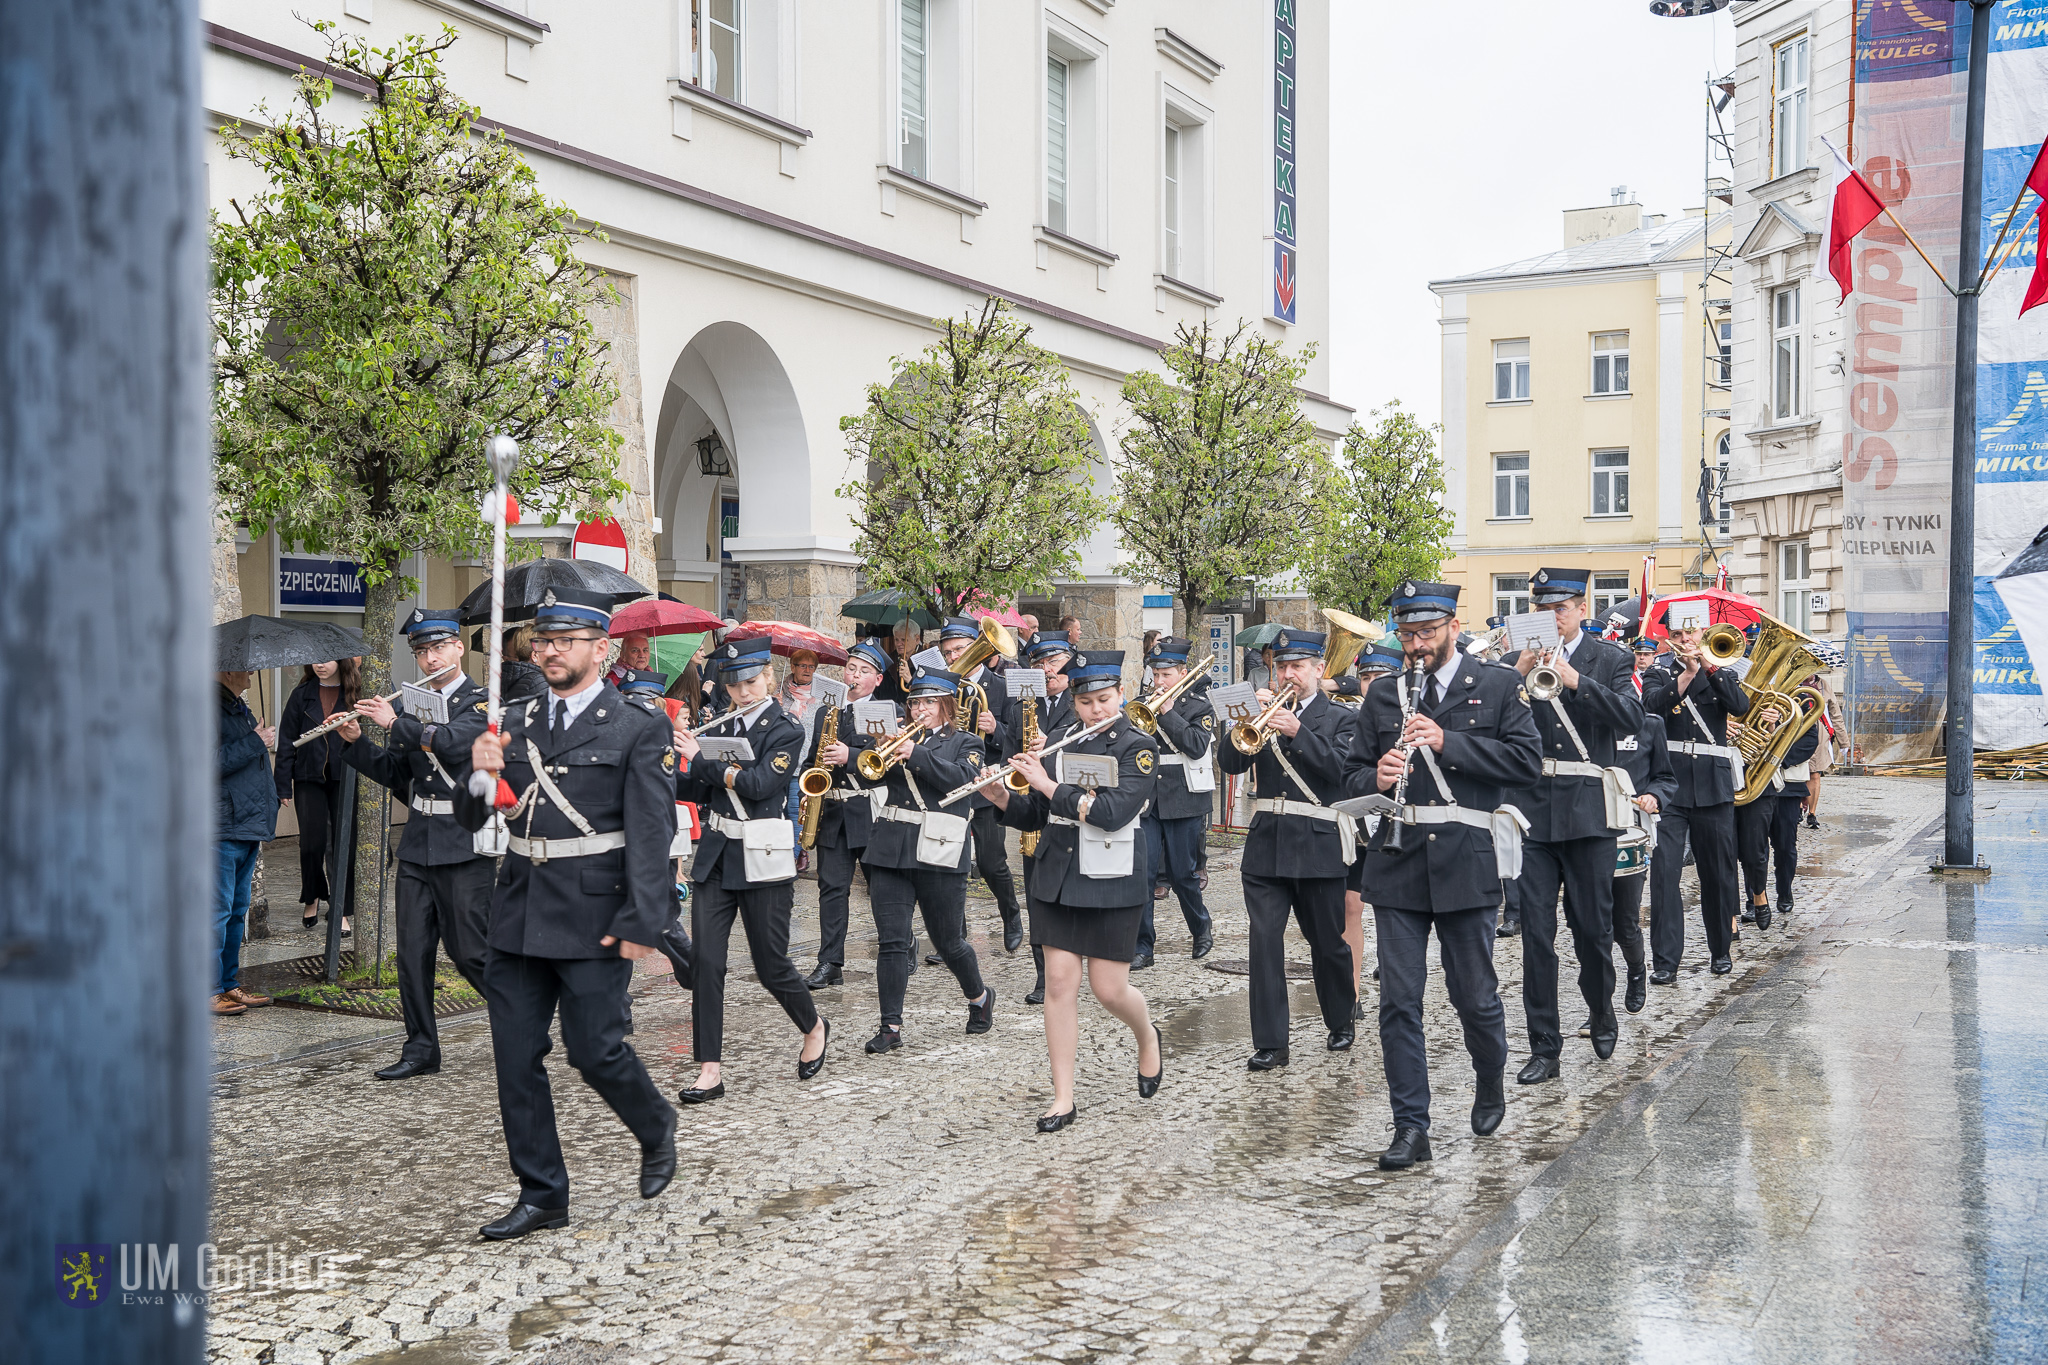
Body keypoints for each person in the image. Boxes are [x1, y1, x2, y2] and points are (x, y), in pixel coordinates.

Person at [1346, 580, 1542, 1170]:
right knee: (1398, 1000)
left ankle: (1490, 1077)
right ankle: (1411, 1127)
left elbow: (1526, 764)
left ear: (1453, 627)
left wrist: (1448, 740)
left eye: (1426, 633)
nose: (1415, 645)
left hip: (1466, 859)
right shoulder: (1385, 694)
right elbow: (1350, 777)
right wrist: (1374, 780)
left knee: (1474, 996)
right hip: (1398, 860)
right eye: (1406, 635)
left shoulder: (1499, 684)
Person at [987, 649, 1162, 1131]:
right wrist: (1003, 797)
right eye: (1086, 702)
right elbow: (1040, 814)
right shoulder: (1061, 738)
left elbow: (1111, 814)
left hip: (1111, 873)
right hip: (1059, 873)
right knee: (1060, 984)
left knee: (1109, 990)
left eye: (1105, 699)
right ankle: (1063, 1096)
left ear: (1121, 695)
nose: (1096, 710)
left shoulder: (1138, 746)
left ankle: (1147, 1035)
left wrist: (1045, 784)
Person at [670, 636, 830, 1102]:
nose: (742, 691)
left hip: (762, 854)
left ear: (769, 679)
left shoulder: (786, 728)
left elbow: (760, 785)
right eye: (734, 684)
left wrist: (703, 762)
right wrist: (668, 767)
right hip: (718, 857)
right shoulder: (722, 724)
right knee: (707, 963)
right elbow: (704, 791)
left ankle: (814, 1024)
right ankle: (709, 1070)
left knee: (771, 965)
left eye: (751, 681)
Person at [339, 609, 496, 1080]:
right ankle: (421, 1047)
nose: (429, 659)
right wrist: (354, 743)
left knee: (469, 951)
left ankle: (521, 1014)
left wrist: (392, 724)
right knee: (411, 950)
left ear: (458, 648)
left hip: (465, 843)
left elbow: (452, 745)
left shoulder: (482, 702)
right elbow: (397, 776)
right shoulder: (411, 707)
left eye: (438, 648)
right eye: (421, 651)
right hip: (418, 844)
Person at [1500, 569, 1642, 1084]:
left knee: (1591, 929)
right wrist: (1514, 673)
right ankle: (1544, 1046)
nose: (1551, 617)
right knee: (1537, 935)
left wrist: (1578, 682)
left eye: (1560, 608)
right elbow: (1485, 719)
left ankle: (1601, 1011)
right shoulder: (1515, 661)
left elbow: (1632, 717)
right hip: (1532, 811)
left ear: (1581, 607)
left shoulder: (1610, 659)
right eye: (1543, 608)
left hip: (1587, 813)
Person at [1215, 627, 1357, 1071]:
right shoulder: (1264, 713)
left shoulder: (1342, 718)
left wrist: (1297, 730)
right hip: (1267, 847)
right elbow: (1231, 762)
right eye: (1283, 667)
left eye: (1298, 667)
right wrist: (1242, 723)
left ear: (1319, 670)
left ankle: (1340, 1016)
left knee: (1327, 943)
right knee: (1263, 943)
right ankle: (1272, 1043)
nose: (1289, 675)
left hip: (1318, 845)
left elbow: (1342, 772)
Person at [855, 664, 995, 1052]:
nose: (920, 710)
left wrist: (913, 752)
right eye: (915, 702)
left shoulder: (968, 743)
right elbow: (870, 774)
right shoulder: (894, 737)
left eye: (929, 702)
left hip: (939, 848)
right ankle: (890, 1026)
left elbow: (957, 780)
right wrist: (855, 755)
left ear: (947, 706)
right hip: (890, 848)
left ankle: (979, 997)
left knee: (949, 942)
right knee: (892, 941)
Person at [1642, 619, 1753, 980]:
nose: (1685, 640)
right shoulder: (1659, 671)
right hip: (1670, 786)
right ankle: (1665, 962)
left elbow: (1739, 706)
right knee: (1664, 875)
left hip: (1712, 785)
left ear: (1703, 636)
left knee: (1719, 874)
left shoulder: (1723, 669)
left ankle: (1720, 950)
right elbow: (1651, 707)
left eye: (1691, 633)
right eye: (1677, 635)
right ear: (1667, 639)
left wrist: (1707, 667)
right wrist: (1686, 676)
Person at [800, 639, 886, 988]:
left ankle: (900, 943)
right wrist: (810, 781)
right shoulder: (825, 711)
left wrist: (849, 755)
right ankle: (830, 961)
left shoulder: (883, 712)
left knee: (881, 888)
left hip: (867, 809)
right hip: (833, 810)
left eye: (864, 671)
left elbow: (883, 766)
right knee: (831, 888)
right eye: (851, 668)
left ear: (877, 679)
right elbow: (812, 759)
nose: (855, 675)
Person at [937, 617, 1025, 954]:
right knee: (951, 860)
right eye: (947, 652)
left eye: (959, 649)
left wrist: (995, 728)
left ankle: (1011, 914)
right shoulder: (942, 685)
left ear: (976, 646)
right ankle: (953, 938)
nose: (953, 657)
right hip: (951, 778)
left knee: (991, 862)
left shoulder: (1001, 686)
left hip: (988, 781)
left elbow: (1016, 736)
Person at [999, 631, 1077, 1004]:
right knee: (1037, 897)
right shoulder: (1020, 707)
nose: (1046, 670)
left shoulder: (1082, 702)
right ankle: (1044, 977)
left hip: (1071, 805)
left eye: (1054, 662)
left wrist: (1053, 742)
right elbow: (1009, 754)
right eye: (1039, 664)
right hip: (1034, 808)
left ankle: (1080, 964)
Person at [1134, 636, 1215, 967]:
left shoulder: (1199, 706)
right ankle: (1143, 946)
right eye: (1156, 674)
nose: (1159, 681)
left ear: (1183, 673)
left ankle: (1201, 928)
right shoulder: (1142, 702)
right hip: (1148, 802)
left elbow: (1196, 746)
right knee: (1144, 874)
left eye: (1166, 674)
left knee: (1183, 876)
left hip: (1183, 799)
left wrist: (1167, 713)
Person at [1607, 637, 1677, 1016]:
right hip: (1587, 827)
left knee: (1623, 921)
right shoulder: (1585, 727)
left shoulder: (1650, 725)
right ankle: (1600, 1001)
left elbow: (1665, 777)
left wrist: (1653, 796)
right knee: (1590, 922)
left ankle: (1636, 969)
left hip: (1630, 830)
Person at [1340, 644, 1406, 1013]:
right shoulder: (1346, 714)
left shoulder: (1408, 713)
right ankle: (1352, 994)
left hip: (1395, 823)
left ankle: (1394, 975)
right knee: (1352, 905)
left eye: (1379, 678)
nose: (1370, 685)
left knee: (1389, 907)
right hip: (1357, 821)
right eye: (1365, 677)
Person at [275, 657, 361, 934]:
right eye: (314, 660)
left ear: (342, 661)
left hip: (344, 777)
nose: (319, 665)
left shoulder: (355, 692)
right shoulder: (302, 694)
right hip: (308, 778)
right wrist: (282, 784)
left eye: (326, 660)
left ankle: (342, 909)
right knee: (311, 845)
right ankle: (311, 895)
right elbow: (287, 740)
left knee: (343, 845)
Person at [213, 666, 278, 1017]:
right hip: (220, 825)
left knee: (237, 911)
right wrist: (256, 741)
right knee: (217, 911)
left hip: (245, 824)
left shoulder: (236, 705)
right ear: (226, 671)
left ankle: (228, 984)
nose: (251, 671)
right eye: (244, 666)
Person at [777, 647, 822, 870]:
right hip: (780, 759)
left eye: (811, 666)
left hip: (804, 761)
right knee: (780, 810)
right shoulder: (778, 691)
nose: (807, 670)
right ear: (792, 667)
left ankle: (794, 857)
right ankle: (791, 850)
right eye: (802, 665)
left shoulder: (821, 696)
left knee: (796, 810)